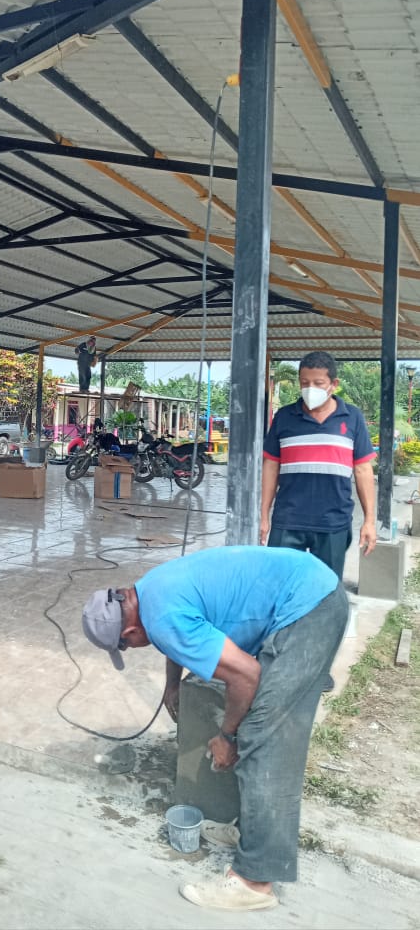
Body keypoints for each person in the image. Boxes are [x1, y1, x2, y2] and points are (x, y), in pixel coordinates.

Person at [81, 545, 348, 912]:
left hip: (307, 610)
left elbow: (246, 675)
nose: (131, 649)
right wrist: (172, 684)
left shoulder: (161, 620)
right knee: (259, 726)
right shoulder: (149, 589)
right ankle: (252, 833)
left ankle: (254, 882)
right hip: (309, 588)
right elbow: (170, 632)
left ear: (129, 631)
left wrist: (227, 736)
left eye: (124, 647)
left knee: (264, 740)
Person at [261, 351, 377, 580]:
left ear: (334, 384)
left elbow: (363, 469)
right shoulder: (284, 417)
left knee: (326, 588)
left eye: (318, 383)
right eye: (304, 383)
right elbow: (271, 466)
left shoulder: (352, 418)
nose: (310, 388)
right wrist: (264, 516)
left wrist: (369, 521)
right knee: (279, 584)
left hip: (333, 521)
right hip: (288, 519)